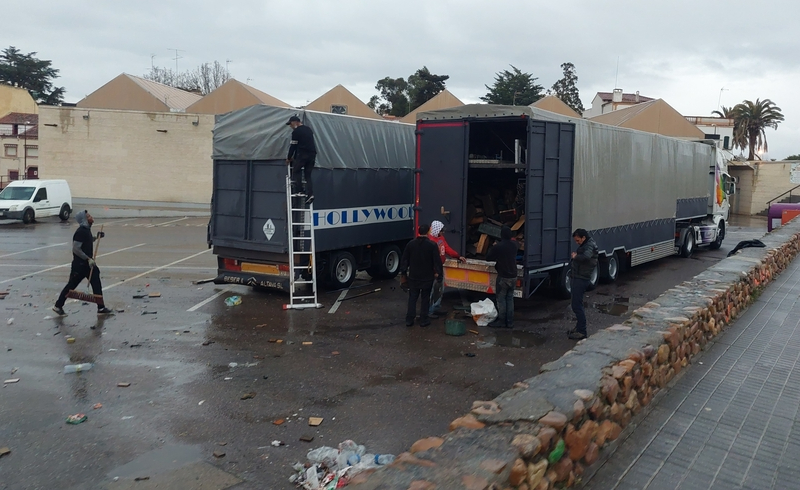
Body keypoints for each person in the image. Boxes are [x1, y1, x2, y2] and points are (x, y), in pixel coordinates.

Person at [53, 210, 114, 316]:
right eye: (88, 216)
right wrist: (87, 259)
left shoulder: (86, 230)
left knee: (96, 281)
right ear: (84, 219)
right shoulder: (81, 231)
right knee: (71, 285)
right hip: (80, 265)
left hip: (87, 265)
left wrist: (96, 237)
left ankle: (101, 307)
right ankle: (58, 306)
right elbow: (76, 249)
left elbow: (87, 241)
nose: (91, 217)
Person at [400, 223, 443, 327]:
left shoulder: (411, 244)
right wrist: (439, 274)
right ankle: (424, 319)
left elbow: (404, 260)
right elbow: (437, 262)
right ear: (428, 232)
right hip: (427, 277)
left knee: (412, 298)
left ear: (419, 232)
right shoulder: (432, 245)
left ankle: (409, 319)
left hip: (413, 276)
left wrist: (404, 273)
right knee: (425, 298)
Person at [427, 220, 466, 317]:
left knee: (439, 289)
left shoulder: (440, 238)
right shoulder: (430, 241)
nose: (442, 232)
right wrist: (434, 271)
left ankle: (435, 307)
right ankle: (429, 311)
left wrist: (457, 256)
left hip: (439, 267)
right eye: (441, 230)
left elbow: (447, 249)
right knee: (432, 290)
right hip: (433, 269)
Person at [486, 225, 519, 329]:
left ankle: (501, 321)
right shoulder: (515, 245)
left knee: (501, 300)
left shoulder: (499, 247)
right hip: (513, 276)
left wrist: (494, 246)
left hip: (503, 276)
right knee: (510, 299)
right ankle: (510, 322)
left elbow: (488, 258)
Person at [568, 228, 598, 340]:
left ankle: (582, 331)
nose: (577, 242)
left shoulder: (589, 245)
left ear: (583, 238)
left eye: (578, 240)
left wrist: (576, 257)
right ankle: (579, 328)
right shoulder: (587, 244)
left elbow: (586, 257)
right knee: (576, 304)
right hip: (578, 276)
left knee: (577, 305)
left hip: (581, 278)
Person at [286, 115, 317, 204]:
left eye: (290, 124)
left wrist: (289, 157)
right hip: (312, 154)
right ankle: (310, 194)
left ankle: (300, 190)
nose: (291, 127)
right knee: (308, 175)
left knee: (296, 171)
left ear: (295, 122)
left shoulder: (296, 132)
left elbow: (293, 146)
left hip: (303, 155)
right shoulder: (308, 129)